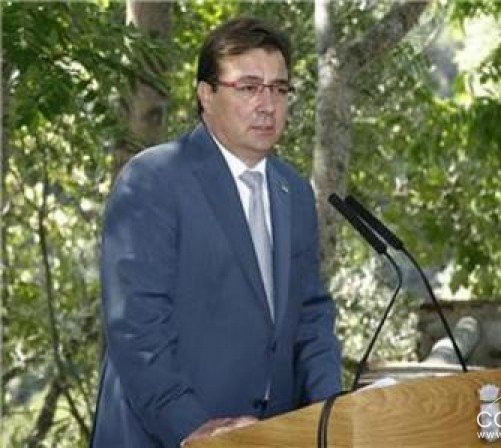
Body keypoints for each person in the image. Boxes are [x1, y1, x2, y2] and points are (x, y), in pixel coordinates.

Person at [91, 17, 341, 448]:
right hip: (167, 435)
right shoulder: (154, 179)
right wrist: (193, 428)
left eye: (279, 89)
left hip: (271, 437)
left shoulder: (294, 191)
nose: (268, 104)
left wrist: (331, 415)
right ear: (206, 95)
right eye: (249, 87)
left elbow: (310, 318)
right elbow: (136, 329)